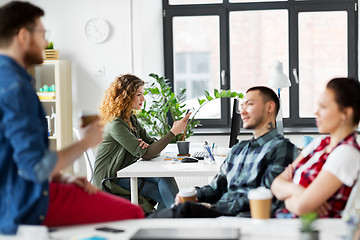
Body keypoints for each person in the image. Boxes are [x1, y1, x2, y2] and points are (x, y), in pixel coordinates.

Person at [0, 1, 143, 235]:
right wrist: (86, 142)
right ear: (23, 36)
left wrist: (59, 177)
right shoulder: (16, 88)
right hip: (25, 203)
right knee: (134, 213)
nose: (46, 42)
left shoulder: (9, 80)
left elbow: (14, 157)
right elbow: (35, 167)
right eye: (42, 34)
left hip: (17, 194)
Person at [149, 86, 298, 218]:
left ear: (269, 107)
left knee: (179, 213)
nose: (243, 111)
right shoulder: (238, 149)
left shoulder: (281, 148)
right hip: (222, 214)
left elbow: (266, 196)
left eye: (250, 104)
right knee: (163, 214)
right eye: (242, 106)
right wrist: (193, 193)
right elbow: (217, 187)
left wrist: (213, 208)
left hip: (243, 218)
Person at [94, 74, 190, 212]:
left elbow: (152, 145)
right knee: (160, 192)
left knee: (164, 178)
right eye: (139, 94)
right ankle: (177, 217)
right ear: (126, 96)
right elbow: (148, 153)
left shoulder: (131, 119)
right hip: (112, 179)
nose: (143, 99)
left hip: (127, 172)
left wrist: (148, 148)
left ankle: (174, 218)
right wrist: (173, 132)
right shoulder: (116, 124)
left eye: (142, 94)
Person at [271, 78, 360, 218]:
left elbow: (301, 207)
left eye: (323, 107)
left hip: (315, 230)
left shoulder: (346, 153)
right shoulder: (320, 143)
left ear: (346, 114)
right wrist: (300, 192)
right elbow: (275, 184)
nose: (316, 112)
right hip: (288, 223)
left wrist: (287, 197)